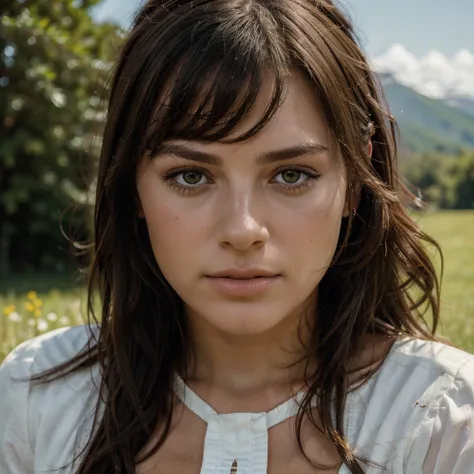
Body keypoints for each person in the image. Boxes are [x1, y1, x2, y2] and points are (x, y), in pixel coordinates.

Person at [1, 0, 473, 473]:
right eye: (190, 176)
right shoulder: (35, 398)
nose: (242, 230)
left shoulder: (446, 422)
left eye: (291, 174)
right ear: (132, 188)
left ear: (354, 178)